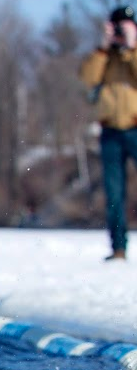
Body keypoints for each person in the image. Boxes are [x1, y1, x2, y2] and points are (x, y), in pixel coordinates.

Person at [80, 4, 137, 262]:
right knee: (114, 193)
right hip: (110, 131)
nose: (119, 33)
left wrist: (132, 46)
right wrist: (104, 46)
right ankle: (118, 248)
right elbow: (88, 78)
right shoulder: (103, 57)